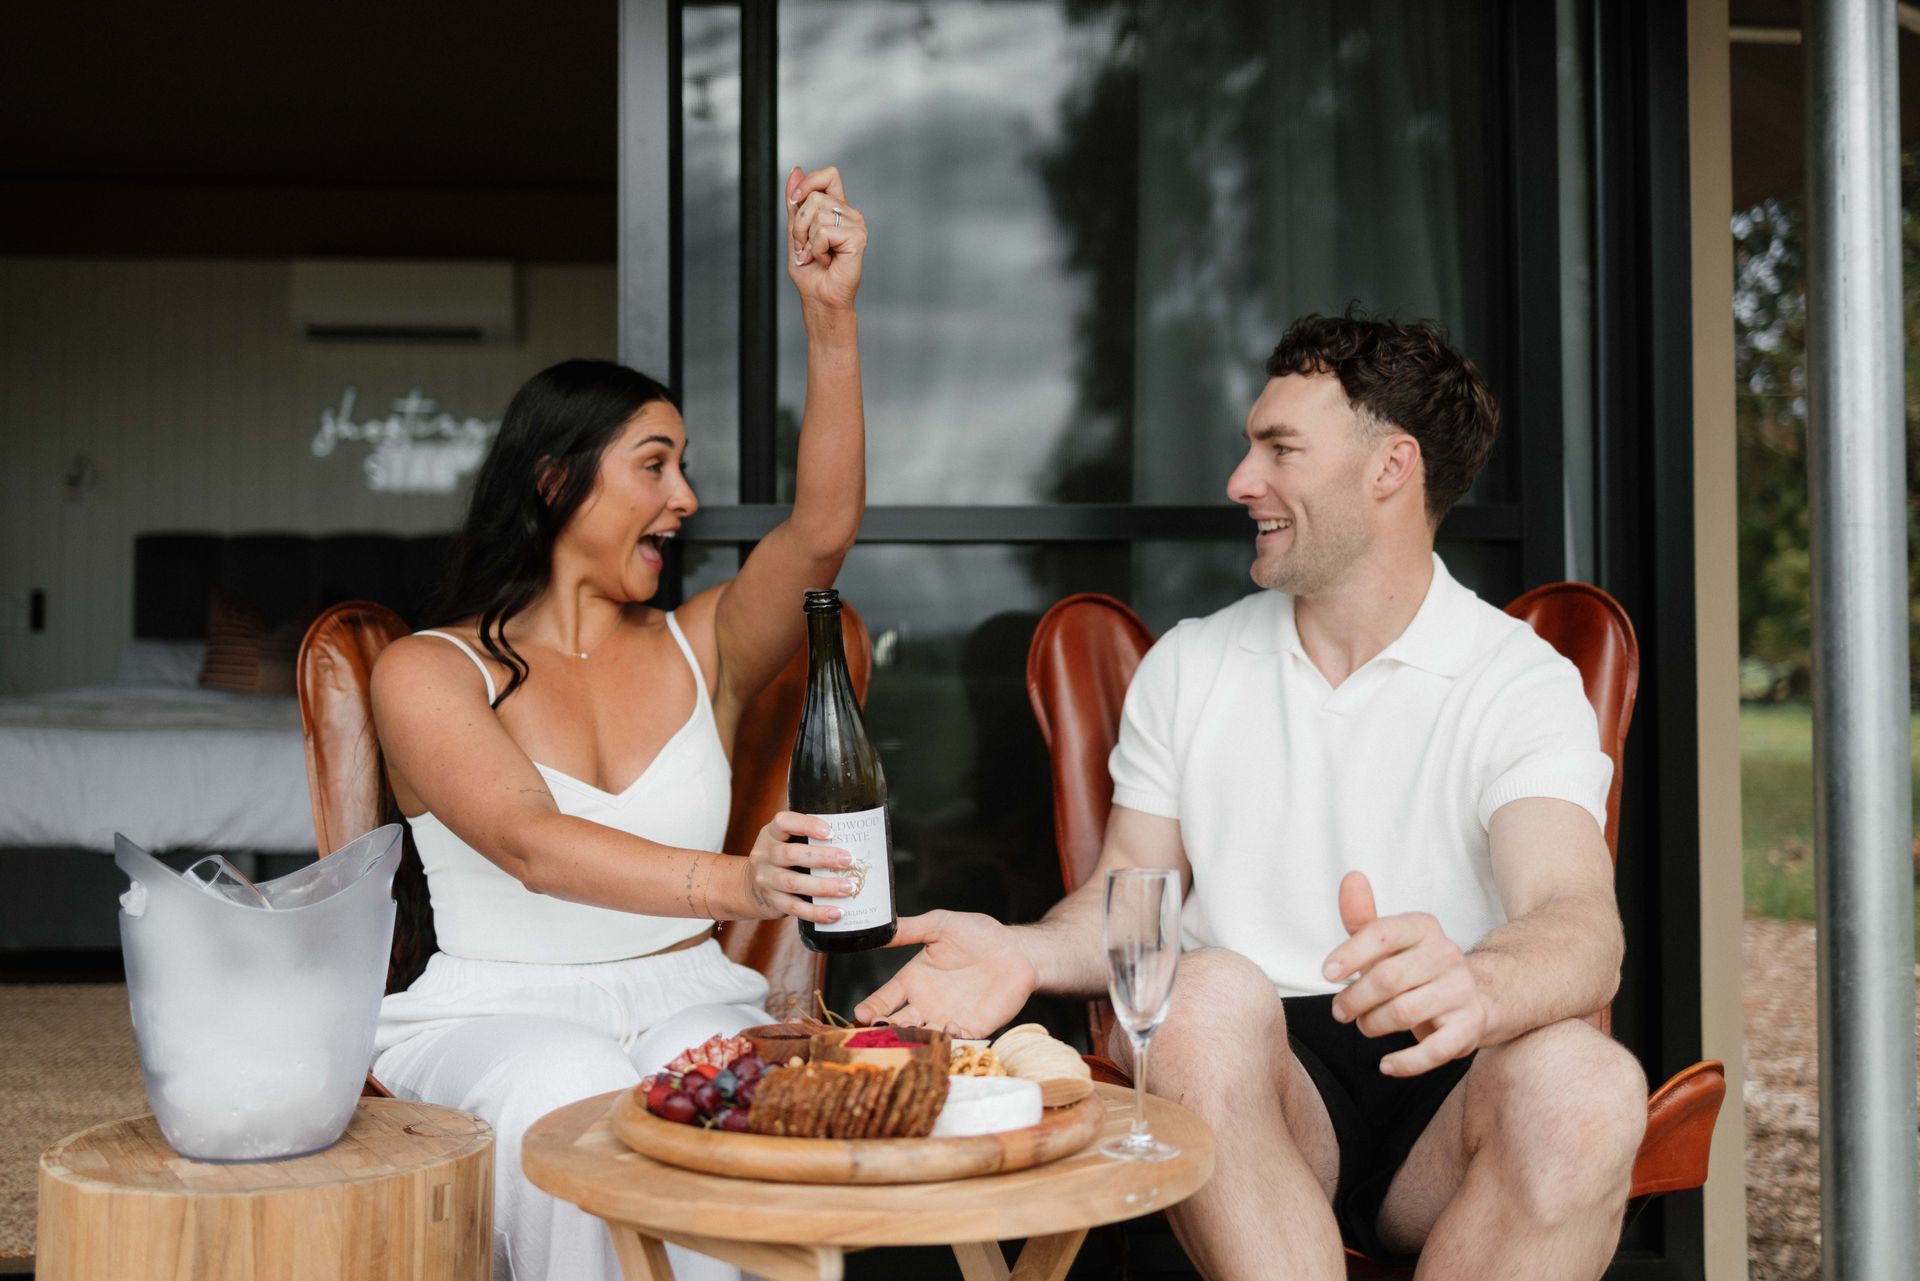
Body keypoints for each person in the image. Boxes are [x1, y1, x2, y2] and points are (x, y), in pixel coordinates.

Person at [856, 312, 1650, 1281]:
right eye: (1248, 448)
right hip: (1258, 1085)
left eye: (1279, 449)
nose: (1240, 482)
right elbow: (1130, 906)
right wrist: (1020, 953)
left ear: (1390, 468)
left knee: (1591, 1082)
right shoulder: (1191, 666)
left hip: (1455, 1082)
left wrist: (1478, 984)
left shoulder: (1516, 679)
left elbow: (1578, 923)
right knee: (1199, 992)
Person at [368, 165, 869, 1281]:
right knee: (568, 1092)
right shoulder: (425, 671)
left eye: (682, 467)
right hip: (498, 1006)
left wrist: (828, 318)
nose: (685, 498)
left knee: (756, 1097)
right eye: (655, 465)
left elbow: (823, 531)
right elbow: (531, 847)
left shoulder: (708, 647)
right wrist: (741, 882)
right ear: (554, 483)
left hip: (691, 987)